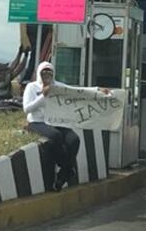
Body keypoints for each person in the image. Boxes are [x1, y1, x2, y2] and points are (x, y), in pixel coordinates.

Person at [22, 61, 110, 191]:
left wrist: (98, 90)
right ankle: (68, 167)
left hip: (56, 122)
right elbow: (27, 109)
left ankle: (63, 175)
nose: (46, 74)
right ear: (39, 73)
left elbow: (78, 92)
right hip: (37, 122)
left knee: (74, 139)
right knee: (55, 135)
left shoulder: (58, 87)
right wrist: (43, 96)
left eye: (49, 72)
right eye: (44, 72)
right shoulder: (32, 87)